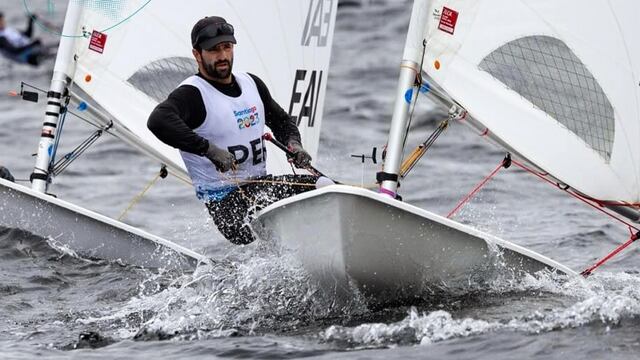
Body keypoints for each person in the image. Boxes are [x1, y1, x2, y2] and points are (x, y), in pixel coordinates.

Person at [148, 16, 318, 245]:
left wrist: (294, 145)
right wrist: (208, 149)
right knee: (315, 195)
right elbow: (158, 120)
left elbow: (281, 121)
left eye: (227, 47)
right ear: (197, 54)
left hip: (262, 188)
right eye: (213, 50)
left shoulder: (251, 84)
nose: (222, 56)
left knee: (326, 187)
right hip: (227, 205)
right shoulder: (193, 93)